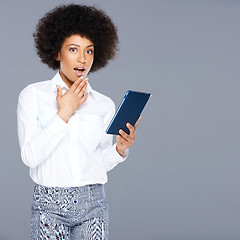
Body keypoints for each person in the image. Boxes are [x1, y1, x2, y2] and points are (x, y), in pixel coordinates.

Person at [16, 4, 141, 240]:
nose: (82, 59)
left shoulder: (103, 104)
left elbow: (99, 162)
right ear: (56, 52)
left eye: (89, 51)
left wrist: (120, 149)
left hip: (93, 204)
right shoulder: (32, 96)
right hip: (48, 206)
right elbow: (30, 157)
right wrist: (64, 113)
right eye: (73, 49)